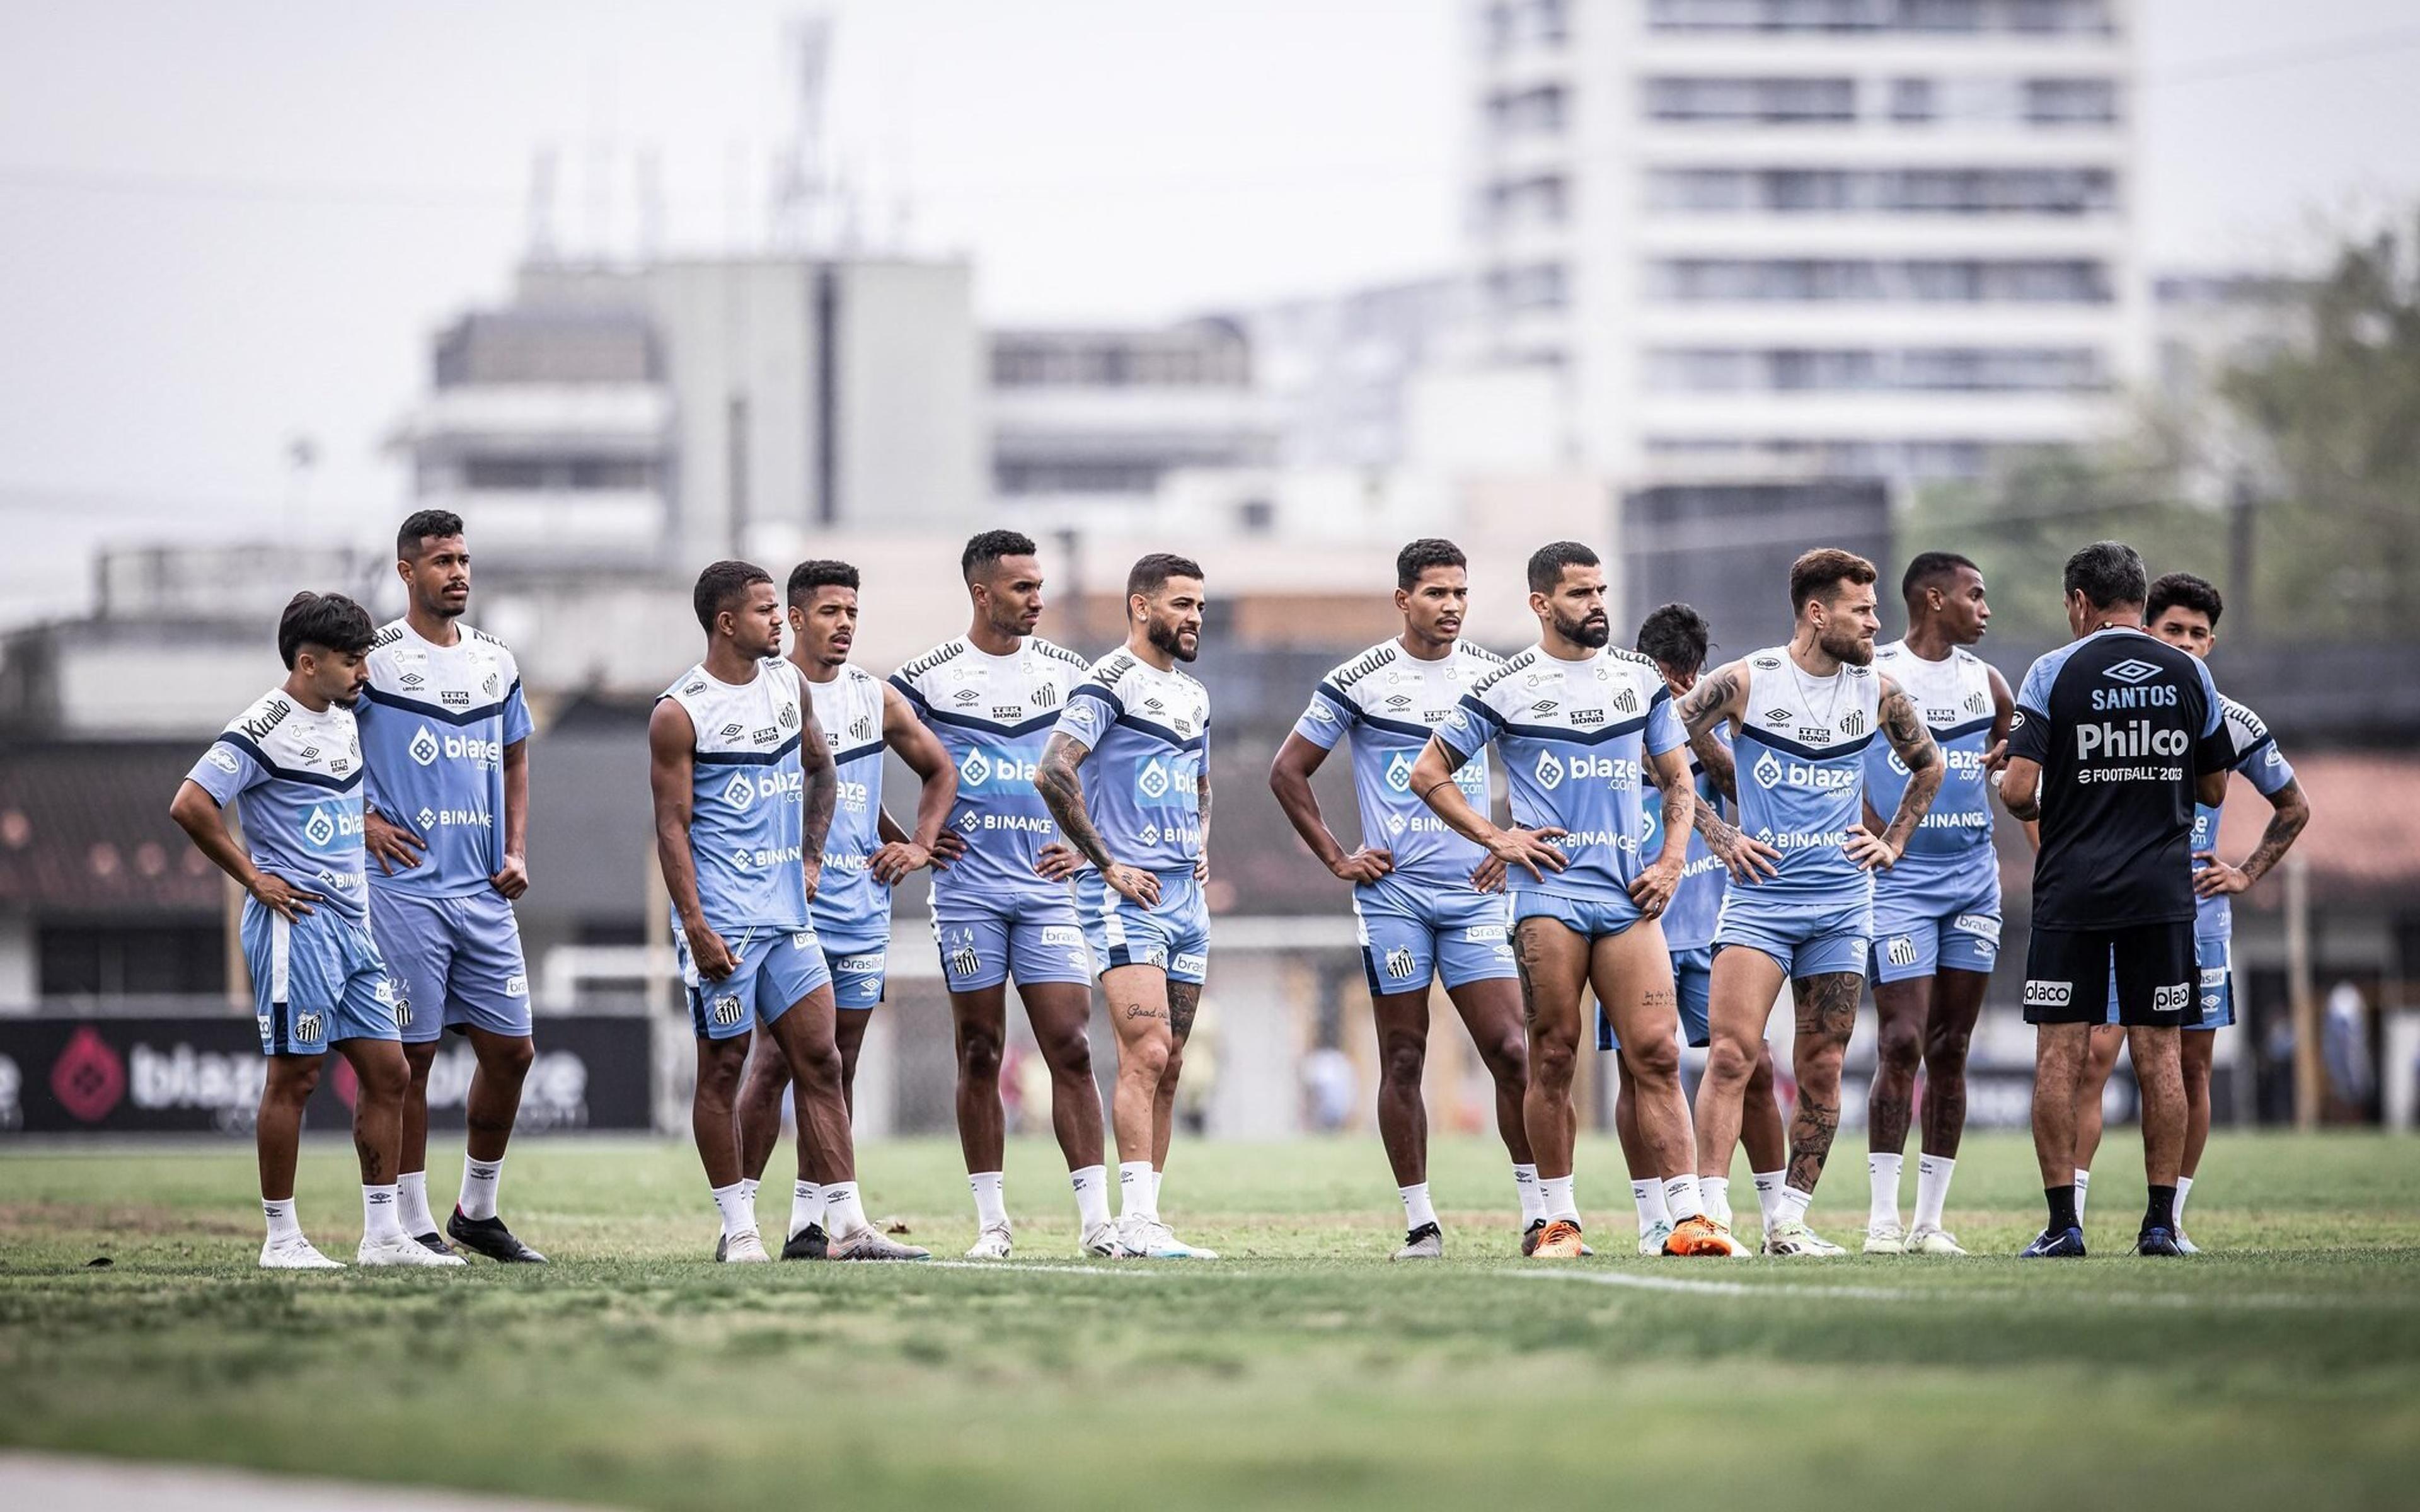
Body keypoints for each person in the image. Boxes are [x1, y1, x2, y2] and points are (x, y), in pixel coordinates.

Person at [1411, 541, 1742, 1259]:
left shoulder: (1638, 681)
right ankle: (1558, 1223)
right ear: (1541, 604)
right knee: (1553, 1056)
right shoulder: (1506, 685)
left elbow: (1679, 781)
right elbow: (1428, 772)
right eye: (1579, 594)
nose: (1596, 605)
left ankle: (1687, 1220)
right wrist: (1497, 838)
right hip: (1548, 899)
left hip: (1628, 900)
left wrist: (1673, 861)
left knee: (1656, 1054)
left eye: (1600, 592)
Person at [170, 592, 459, 1269]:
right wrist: (254, 876)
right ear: (308, 663)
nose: (365, 672)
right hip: (294, 927)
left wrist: (363, 825)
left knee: (390, 1073)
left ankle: (384, 1237)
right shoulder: (264, 722)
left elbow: (319, 807)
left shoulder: (340, 719)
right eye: (353, 661)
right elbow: (190, 804)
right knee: (295, 1076)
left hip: (354, 929)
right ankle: (281, 1239)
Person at [1268, 537, 1538, 1260]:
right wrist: (1337, 856)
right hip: (1394, 901)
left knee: (1513, 1050)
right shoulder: (1359, 679)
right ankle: (1422, 1225)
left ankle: (1541, 1216)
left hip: (1475, 897)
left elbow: (1541, 763)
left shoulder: (1494, 675)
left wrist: (1504, 842)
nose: (1451, 607)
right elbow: (1288, 772)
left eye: (1460, 593)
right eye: (1436, 594)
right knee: (1405, 1057)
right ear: (1403, 600)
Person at [648, 560, 926, 1263]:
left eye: (779, 608)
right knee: (726, 1068)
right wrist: (696, 925)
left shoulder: (787, 684)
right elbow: (672, 828)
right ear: (726, 622)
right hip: (725, 924)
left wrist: (809, 857)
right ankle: (737, 1229)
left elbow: (821, 768)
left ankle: (849, 1227)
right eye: (767, 611)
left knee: (823, 1060)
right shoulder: (680, 712)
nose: (780, 621)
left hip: (789, 920)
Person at [1678, 548, 1944, 1257]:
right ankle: (1709, 1219)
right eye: (1862, 610)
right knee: (1732, 1057)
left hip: (1843, 907)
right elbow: (1659, 740)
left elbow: (1931, 765)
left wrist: (1893, 842)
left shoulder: (1878, 690)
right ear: (1817, 613)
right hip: (1760, 904)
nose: (1875, 623)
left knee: (1822, 1068)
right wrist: (1718, 829)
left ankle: (1788, 1223)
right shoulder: (1746, 681)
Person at [1998, 541, 2234, 1259]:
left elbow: (2015, 789)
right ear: (2139, 598)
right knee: (2160, 1054)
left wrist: (2069, 791)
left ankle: (2063, 1225)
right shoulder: (2191, 673)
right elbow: (2217, 788)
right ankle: (2161, 1225)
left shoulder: (2051, 671)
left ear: (2079, 602)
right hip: (2162, 891)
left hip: (2073, 888)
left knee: (2059, 1055)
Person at [2066, 571, 2308, 1252]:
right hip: (2120, 905)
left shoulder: (2232, 719)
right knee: (2093, 1058)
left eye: (2199, 635)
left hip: (2198, 919)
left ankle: (2168, 1221)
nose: (2188, 644)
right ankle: (2069, 1221)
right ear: (2147, 632)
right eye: (2173, 630)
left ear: (2212, 644)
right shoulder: (2109, 706)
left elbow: (2295, 807)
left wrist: (2246, 872)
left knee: (2189, 1068)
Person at [890, 531, 1110, 1258]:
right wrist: (915, 839)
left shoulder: (1071, 673)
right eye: (1021, 588)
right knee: (980, 1051)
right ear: (982, 594)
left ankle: (1097, 1224)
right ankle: (993, 1225)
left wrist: (1088, 848)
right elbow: (850, 760)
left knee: (1071, 1047)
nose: (1037, 599)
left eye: (1040, 585)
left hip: (1047, 893)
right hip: (968, 894)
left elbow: (1107, 764)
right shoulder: (926, 678)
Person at [732, 559, 959, 1259]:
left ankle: (814, 1226)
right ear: (795, 618)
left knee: (840, 1064)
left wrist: (916, 845)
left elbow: (940, 769)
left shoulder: (875, 697)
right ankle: (736, 1222)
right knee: (775, 1062)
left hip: (861, 909)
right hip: (788, 906)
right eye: (831, 612)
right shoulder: (764, 693)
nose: (845, 625)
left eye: (853, 613)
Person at [354, 510, 544, 1263]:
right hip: (404, 890)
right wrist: (362, 818)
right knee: (411, 1062)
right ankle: (412, 1222)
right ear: (407, 572)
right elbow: (325, 740)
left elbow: (518, 756)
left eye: (465, 559)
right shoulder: (374, 658)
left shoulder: (497, 662)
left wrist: (519, 847)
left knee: (514, 1053)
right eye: (441, 561)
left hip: (484, 893)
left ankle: (478, 1211)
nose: (458, 572)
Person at [1036, 553, 1219, 1260]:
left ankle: (1147, 1219)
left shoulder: (1195, 696)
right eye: (1181, 604)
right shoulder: (1107, 682)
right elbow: (1053, 769)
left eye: (1200, 605)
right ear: (1142, 608)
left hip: (1184, 897)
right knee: (1145, 1050)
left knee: (1170, 1061)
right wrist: (1106, 863)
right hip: (1127, 898)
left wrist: (1201, 842)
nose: (1194, 617)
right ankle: (1132, 1225)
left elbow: (1201, 782)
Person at [1602, 604, 1791, 1254]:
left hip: (1714, 920)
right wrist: (1662, 721)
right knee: (1638, 1073)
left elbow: (1746, 790)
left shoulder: (1714, 711)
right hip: (1636, 915)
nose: (1673, 688)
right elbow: (1658, 774)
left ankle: (1776, 1220)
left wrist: (1692, 722)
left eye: (1685, 678)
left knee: (1754, 1065)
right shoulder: (1616, 709)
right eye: (1666, 677)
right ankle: (1656, 1217)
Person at [1857, 552, 2016, 1257]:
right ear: (1933, 597)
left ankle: (1930, 1222)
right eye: (1974, 596)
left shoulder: (1989, 684)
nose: (1985, 609)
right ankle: (1881, 1219)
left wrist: (2011, 768)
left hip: (1973, 880)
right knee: (1901, 1042)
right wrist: (1870, 833)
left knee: (1952, 1048)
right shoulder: (1873, 674)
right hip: (1898, 882)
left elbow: (2010, 755)